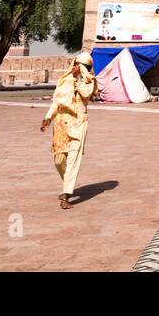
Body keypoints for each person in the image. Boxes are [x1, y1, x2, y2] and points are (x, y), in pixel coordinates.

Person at [40, 52, 98, 210]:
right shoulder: (65, 80)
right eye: (78, 65)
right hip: (61, 124)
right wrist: (47, 118)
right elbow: (57, 101)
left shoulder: (89, 81)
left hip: (79, 123)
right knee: (59, 160)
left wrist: (79, 78)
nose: (80, 68)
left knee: (74, 159)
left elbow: (86, 94)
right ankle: (68, 184)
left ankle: (66, 194)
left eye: (84, 67)